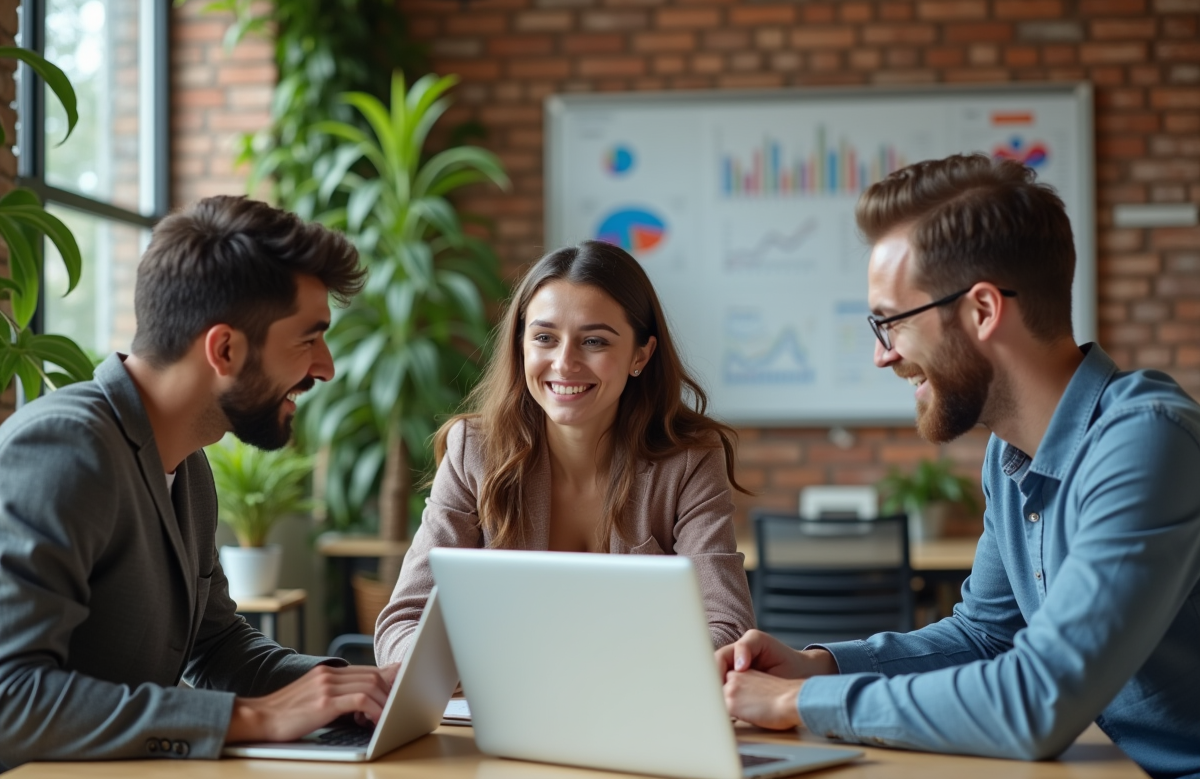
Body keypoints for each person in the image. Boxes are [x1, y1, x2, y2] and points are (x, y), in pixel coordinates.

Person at [718, 154, 1200, 779]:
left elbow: (1037, 702)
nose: (881, 355)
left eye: (890, 321)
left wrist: (800, 702)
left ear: (981, 311)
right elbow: (985, 636)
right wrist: (821, 667)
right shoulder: (1011, 454)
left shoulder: (1145, 441)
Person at [0, 196, 399, 770]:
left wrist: (344, 687)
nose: (326, 366)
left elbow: (213, 645)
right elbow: (10, 699)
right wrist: (259, 719)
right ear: (225, 349)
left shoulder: (187, 462)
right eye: (309, 339)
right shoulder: (64, 448)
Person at [375, 241, 755, 664]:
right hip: (499, 714)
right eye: (544, 338)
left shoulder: (687, 460)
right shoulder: (474, 451)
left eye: (594, 341)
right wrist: (460, 670)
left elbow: (727, 625)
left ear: (640, 355)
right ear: (522, 346)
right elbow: (403, 622)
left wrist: (600, 670)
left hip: (633, 712)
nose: (564, 363)